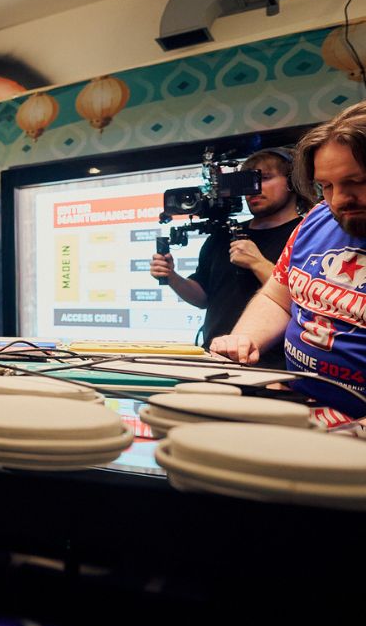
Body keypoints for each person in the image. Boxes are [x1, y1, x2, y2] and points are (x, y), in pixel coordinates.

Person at [210, 102, 366, 417]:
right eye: (326, 186)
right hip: (301, 410)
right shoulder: (317, 218)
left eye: (357, 183)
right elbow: (278, 296)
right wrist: (245, 338)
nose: (338, 200)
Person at [149, 149, 306, 368]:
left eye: (265, 178)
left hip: (276, 367)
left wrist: (257, 263)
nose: (254, 188)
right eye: (246, 181)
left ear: (292, 182)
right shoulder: (223, 235)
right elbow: (203, 297)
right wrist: (172, 277)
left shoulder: (307, 235)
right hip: (215, 360)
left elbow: (304, 300)